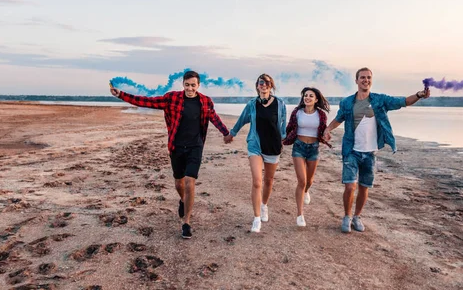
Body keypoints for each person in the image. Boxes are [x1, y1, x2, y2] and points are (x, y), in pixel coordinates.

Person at [110, 70, 231, 239]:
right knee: (179, 183)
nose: (190, 88)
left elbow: (214, 117)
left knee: (190, 182)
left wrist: (226, 133)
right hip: (176, 147)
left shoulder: (205, 101)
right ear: (183, 84)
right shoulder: (171, 98)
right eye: (187, 85)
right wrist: (121, 95)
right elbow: (146, 102)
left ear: (198, 85)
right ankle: (182, 200)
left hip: (195, 147)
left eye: (193, 85)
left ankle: (186, 223)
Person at [323, 67, 430, 233]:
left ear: (371, 80)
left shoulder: (380, 100)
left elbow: (403, 102)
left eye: (368, 77)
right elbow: (338, 119)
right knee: (350, 186)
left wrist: (419, 95)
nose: (366, 80)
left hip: (370, 152)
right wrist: (328, 129)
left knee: (364, 187)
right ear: (356, 80)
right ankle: (346, 216)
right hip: (351, 150)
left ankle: (357, 217)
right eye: (362, 77)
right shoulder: (347, 102)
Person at [224, 74, 286, 233]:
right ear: (257, 86)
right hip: (255, 145)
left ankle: (264, 205)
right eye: (261, 83)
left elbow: (283, 125)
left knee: (269, 180)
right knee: (257, 181)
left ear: (271, 85)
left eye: (266, 83)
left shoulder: (280, 104)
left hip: (272, 146)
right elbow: (242, 119)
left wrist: (284, 139)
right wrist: (232, 133)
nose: (263, 85)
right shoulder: (252, 104)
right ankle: (256, 218)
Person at [282, 87, 331, 227]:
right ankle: (300, 215)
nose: (307, 97)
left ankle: (307, 191)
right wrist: (282, 139)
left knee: (309, 181)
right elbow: (290, 127)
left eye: (311, 96)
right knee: (302, 181)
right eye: (305, 95)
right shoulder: (297, 112)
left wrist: (326, 135)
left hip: (314, 149)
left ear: (316, 100)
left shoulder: (321, 114)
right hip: (299, 147)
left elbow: (323, 129)